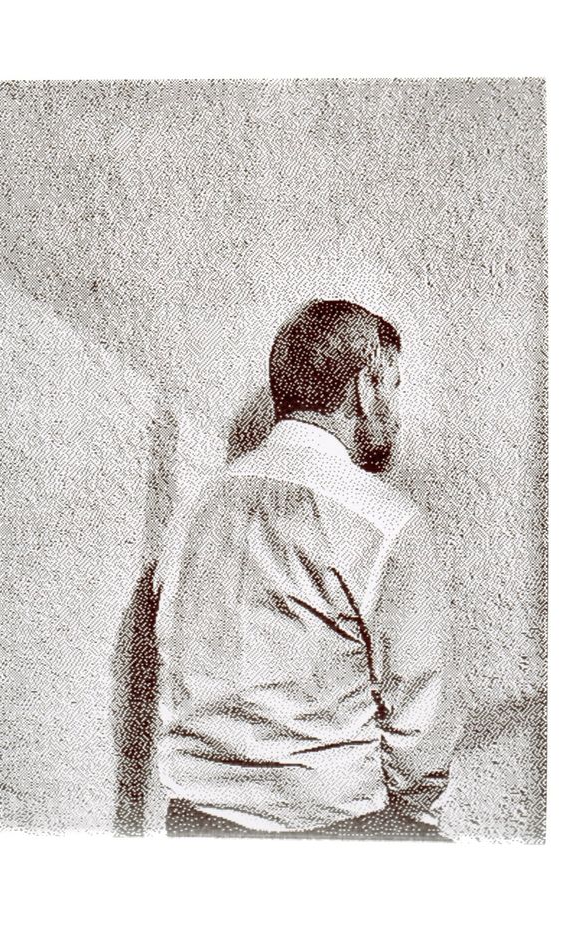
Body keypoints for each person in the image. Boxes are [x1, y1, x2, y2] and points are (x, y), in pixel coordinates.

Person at [157, 298, 461, 840]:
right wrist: (410, 823)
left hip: (195, 824)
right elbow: (419, 722)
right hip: (335, 831)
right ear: (366, 388)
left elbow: (171, 655)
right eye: (392, 388)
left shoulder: (194, 508)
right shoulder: (387, 522)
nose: (395, 411)